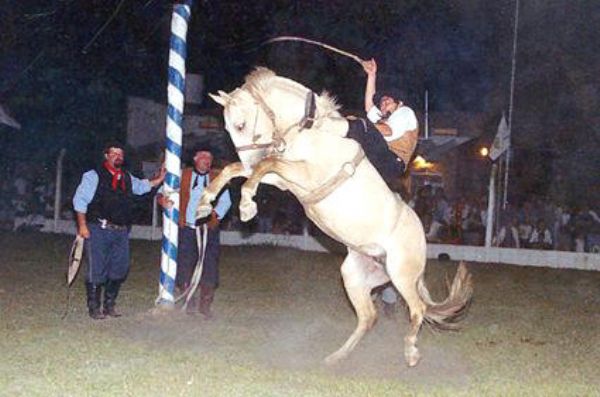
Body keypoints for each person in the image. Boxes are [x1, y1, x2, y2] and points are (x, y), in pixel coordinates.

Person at [73, 142, 165, 319]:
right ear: (106, 156)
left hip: (121, 231)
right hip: (98, 228)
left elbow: (142, 187)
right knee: (97, 268)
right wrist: (82, 225)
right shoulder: (93, 176)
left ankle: (109, 305)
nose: (118, 156)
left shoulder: (127, 177)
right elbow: (80, 201)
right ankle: (94, 308)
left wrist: (159, 179)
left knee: (120, 268)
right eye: (114, 153)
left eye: (120, 154)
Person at [157, 144, 231, 319]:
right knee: (185, 264)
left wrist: (215, 214)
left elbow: (226, 202)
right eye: (203, 157)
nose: (207, 161)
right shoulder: (183, 175)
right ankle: (188, 302)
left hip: (208, 230)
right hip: (187, 229)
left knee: (210, 266)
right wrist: (162, 200)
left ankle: (205, 306)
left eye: (209, 158)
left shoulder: (217, 178)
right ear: (195, 159)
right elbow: (163, 192)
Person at [346, 58, 419, 191]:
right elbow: (369, 106)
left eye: (388, 102)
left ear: (399, 103)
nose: (384, 106)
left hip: (393, 161)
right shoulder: (384, 118)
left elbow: (388, 131)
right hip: (381, 159)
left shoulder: (405, 112)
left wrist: (359, 124)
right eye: (382, 104)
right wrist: (371, 75)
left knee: (360, 125)